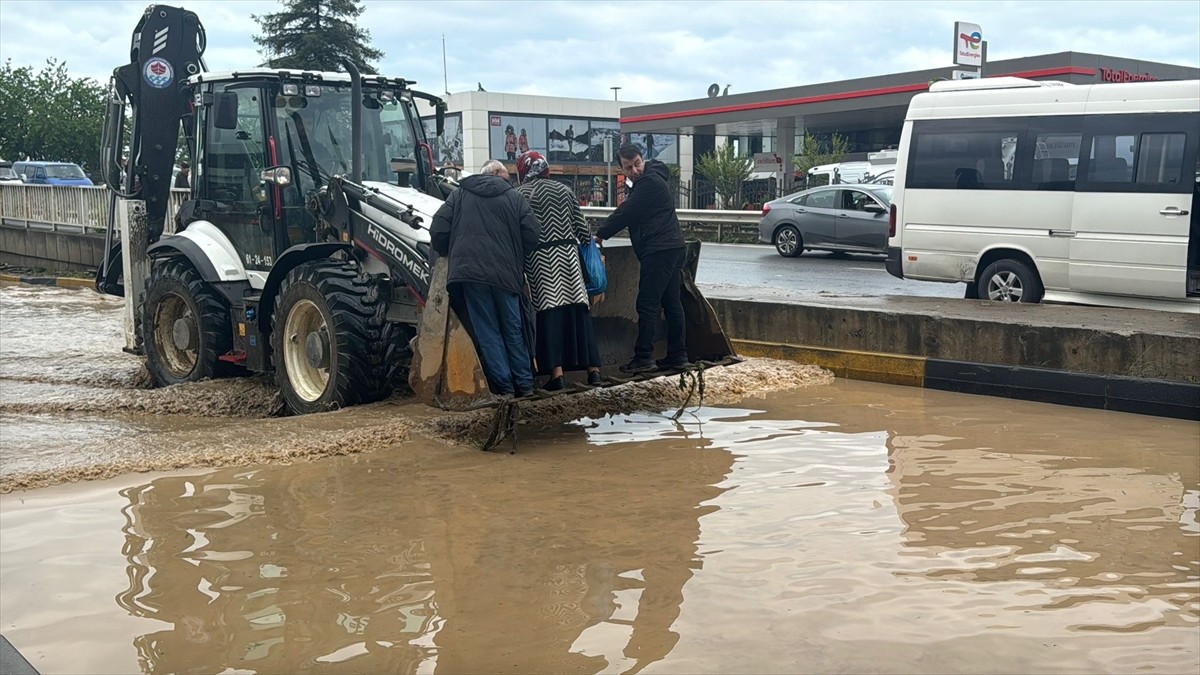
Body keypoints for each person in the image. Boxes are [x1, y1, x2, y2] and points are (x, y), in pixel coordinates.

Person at [431, 159, 540, 398]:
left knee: (488, 330)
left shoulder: (459, 195)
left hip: (470, 274)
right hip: (506, 274)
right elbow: (533, 234)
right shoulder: (514, 198)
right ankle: (525, 385)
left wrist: (445, 250)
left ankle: (505, 388)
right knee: (513, 327)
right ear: (499, 175)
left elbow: (438, 228)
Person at [595, 144, 688, 374]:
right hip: (672, 247)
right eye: (628, 168)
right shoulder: (653, 179)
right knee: (671, 303)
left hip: (659, 250)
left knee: (647, 305)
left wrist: (599, 235)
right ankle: (678, 355)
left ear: (642, 159)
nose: (634, 170)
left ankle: (644, 357)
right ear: (622, 169)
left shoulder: (649, 183)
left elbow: (626, 212)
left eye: (636, 164)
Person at [514, 151, 603, 390]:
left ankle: (557, 375)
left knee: (549, 313)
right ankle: (593, 371)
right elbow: (583, 232)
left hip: (541, 261)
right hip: (569, 259)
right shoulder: (565, 190)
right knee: (579, 312)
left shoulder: (521, 195)